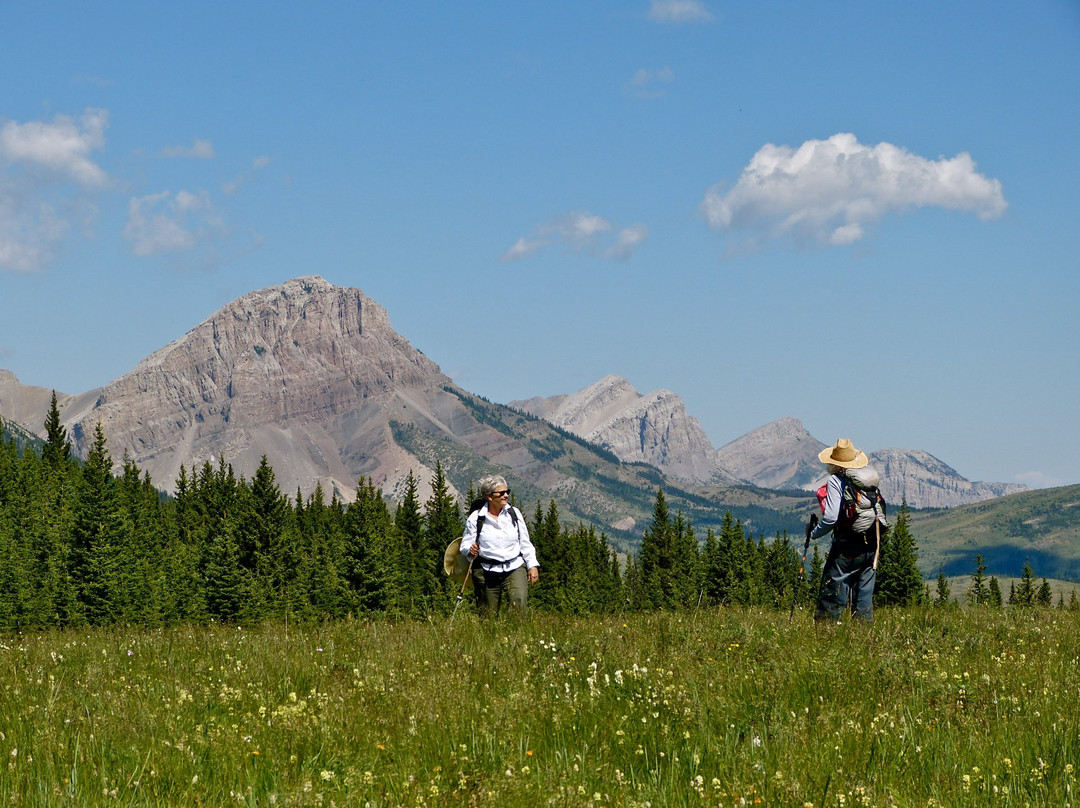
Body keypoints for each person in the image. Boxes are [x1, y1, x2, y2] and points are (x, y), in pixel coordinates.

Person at [808, 438, 887, 623]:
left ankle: (827, 632)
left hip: (847, 545)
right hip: (872, 544)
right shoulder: (867, 480)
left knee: (833, 588)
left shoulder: (836, 480)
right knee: (863, 594)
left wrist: (814, 534)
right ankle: (863, 637)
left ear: (834, 463)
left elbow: (831, 517)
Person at [460, 475, 539, 617]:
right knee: (487, 614)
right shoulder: (476, 518)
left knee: (519, 601)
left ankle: (517, 636)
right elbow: (465, 544)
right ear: (489, 496)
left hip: (514, 566)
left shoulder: (514, 514)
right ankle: (490, 637)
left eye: (507, 491)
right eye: (501, 493)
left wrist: (532, 565)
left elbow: (525, 542)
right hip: (486, 570)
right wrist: (470, 550)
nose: (506, 495)